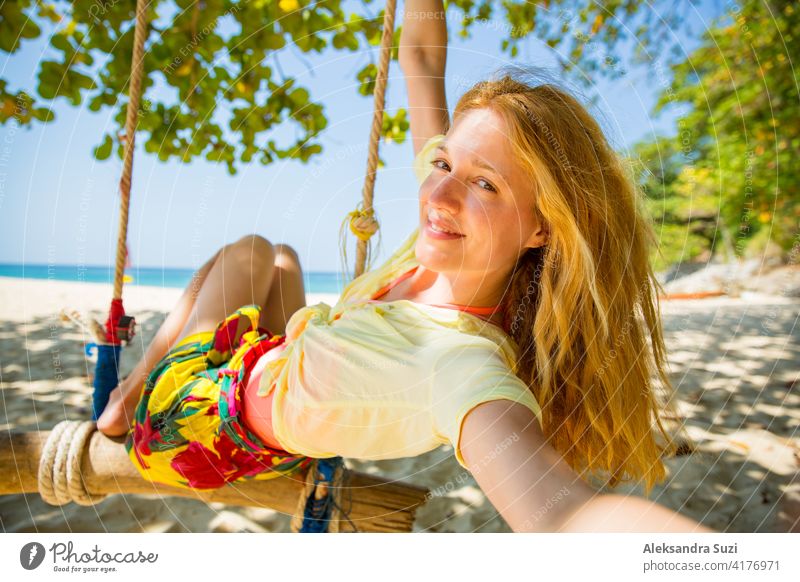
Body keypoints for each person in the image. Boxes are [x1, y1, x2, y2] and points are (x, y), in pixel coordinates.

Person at [97, 0, 712, 533]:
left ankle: (133, 391)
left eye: (486, 185)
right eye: (444, 163)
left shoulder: (462, 367)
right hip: (279, 368)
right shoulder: (453, 237)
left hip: (194, 424)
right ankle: (164, 371)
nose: (437, 197)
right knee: (278, 258)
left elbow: (561, 516)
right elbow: (420, 57)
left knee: (254, 252)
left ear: (543, 226)